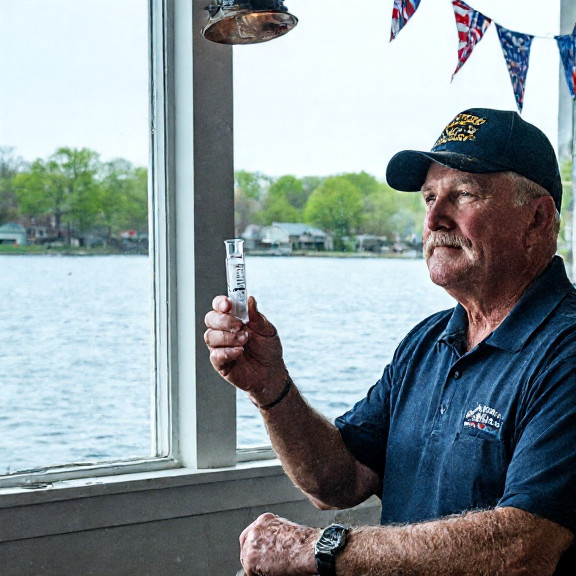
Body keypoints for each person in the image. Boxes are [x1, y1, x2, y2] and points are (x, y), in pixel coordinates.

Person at [204, 108, 576, 576]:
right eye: (428, 198)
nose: (435, 218)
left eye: (462, 195)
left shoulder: (565, 351)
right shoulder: (426, 343)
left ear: (537, 219)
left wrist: (315, 551)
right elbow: (337, 482)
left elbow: (525, 547)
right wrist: (270, 388)